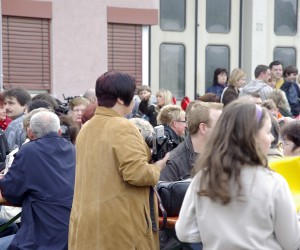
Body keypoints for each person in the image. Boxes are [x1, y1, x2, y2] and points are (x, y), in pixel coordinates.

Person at [175, 100, 300, 249]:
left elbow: (185, 232)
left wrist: (216, 234)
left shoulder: (203, 178)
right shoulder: (273, 183)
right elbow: (292, 242)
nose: (272, 138)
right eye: (267, 132)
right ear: (251, 136)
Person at [68, 71, 169, 249]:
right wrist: (158, 166)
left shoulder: (87, 127)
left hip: (91, 223)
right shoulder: (122, 127)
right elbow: (137, 174)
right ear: (122, 99)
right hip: (120, 226)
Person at [0, 111, 76, 249]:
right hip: (72, 236)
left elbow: (10, 192)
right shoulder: (72, 149)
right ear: (59, 132)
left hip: (39, 239)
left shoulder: (29, 150)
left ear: (29, 133)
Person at [160, 101, 223, 182]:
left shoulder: (225, 155)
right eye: (220, 124)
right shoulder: (173, 162)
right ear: (203, 128)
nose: (226, 128)